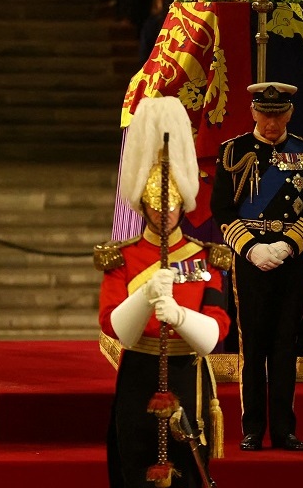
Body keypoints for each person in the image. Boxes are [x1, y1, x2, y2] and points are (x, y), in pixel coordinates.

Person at [96, 96, 230, 487]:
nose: (164, 211)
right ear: (142, 202)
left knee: (189, 471)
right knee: (135, 464)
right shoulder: (121, 258)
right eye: (156, 204)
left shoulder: (207, 257)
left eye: (171, 204)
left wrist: (181, 316)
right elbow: (113, 324)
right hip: (139, 371)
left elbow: (216, 331)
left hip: (188, 374)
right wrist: (145, 295)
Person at [210, 82, 303, 452]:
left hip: (291, 260)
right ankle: (252, 428)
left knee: (284, 346)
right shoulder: (233, 151)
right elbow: (223, 210)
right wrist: (253, 249)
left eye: (278, 115)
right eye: (265, 113)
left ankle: (284, 429)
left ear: (289, 114)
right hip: (250, 260)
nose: (271, 122)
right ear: (253, 113)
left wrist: (287, 245)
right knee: (253, 345)